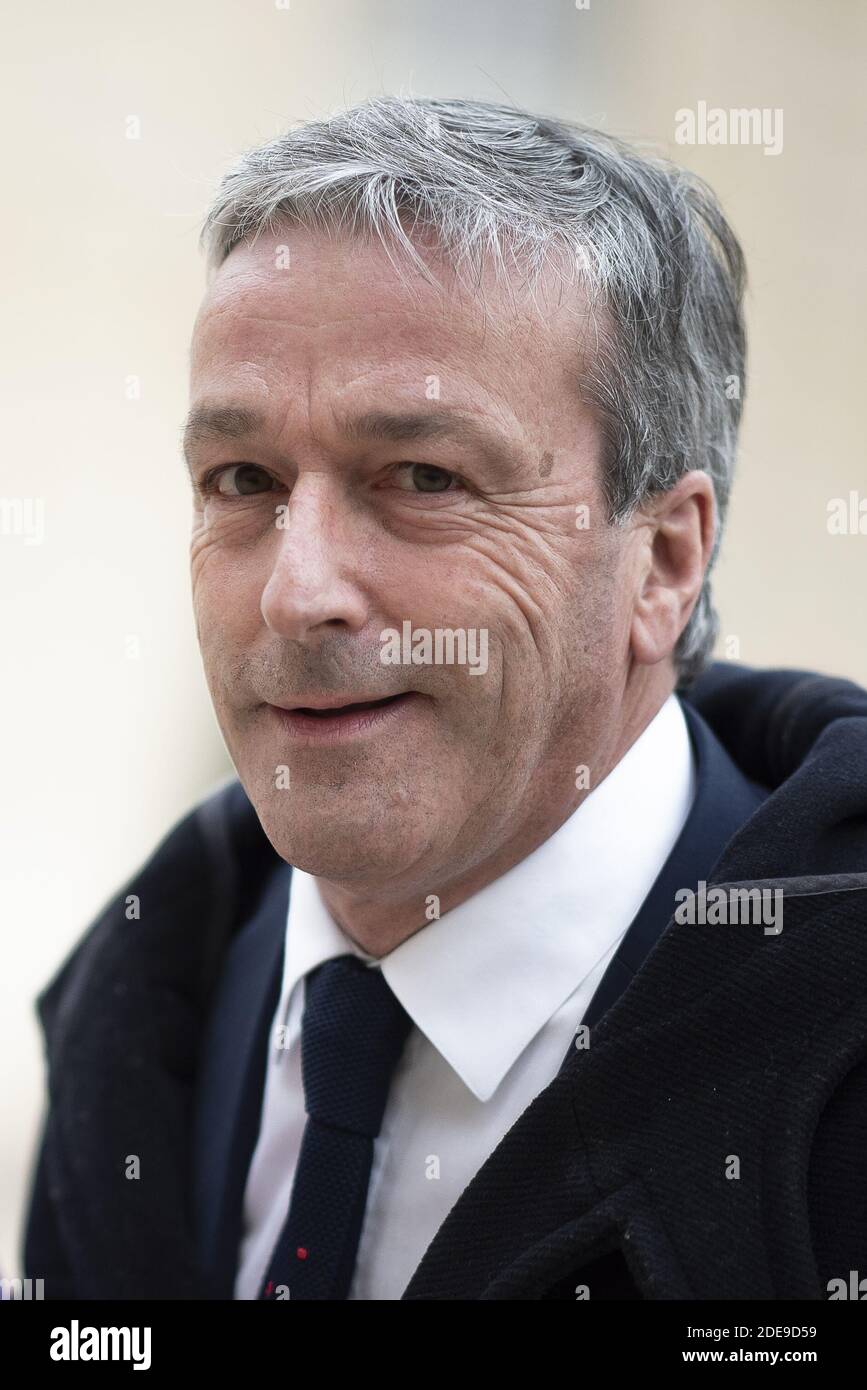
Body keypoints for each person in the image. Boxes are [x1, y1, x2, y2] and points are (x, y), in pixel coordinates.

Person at [22, 96, 867, 1300]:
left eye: (424, 476)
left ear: (665, 561)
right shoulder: (137, 1027)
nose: (296, 592)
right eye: (242, 478)